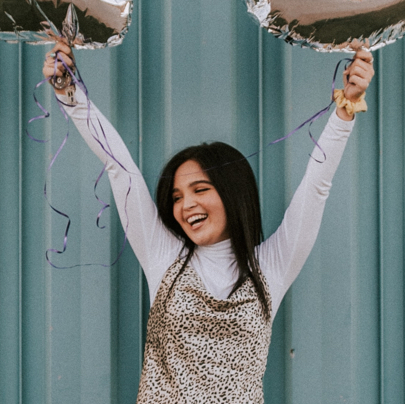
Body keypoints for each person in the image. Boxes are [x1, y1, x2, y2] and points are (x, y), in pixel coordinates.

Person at [42, 41, 373, 404]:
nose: (187, 205)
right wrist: (69, 93)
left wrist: (346, 107)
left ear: (232, 193)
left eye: (200, 189)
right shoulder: (162, 256)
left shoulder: (272, 267)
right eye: (177, 196)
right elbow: (120, 170)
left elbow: (317, 187)